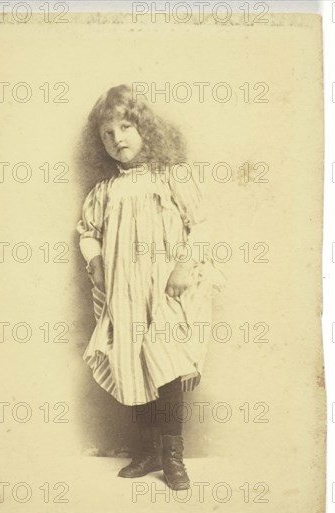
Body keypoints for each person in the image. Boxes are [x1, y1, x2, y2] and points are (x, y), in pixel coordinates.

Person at [76, 84, 225, 490]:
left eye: (125, 127)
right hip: (124, 294)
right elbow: (87, 233)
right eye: (108, 133)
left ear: (145, 130)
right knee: (133, 366)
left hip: (165, 291)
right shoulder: (105, 191)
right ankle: (145, 452)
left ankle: (173, 456)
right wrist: (95, 263)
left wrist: (182, 265)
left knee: (167, 369)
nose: (117, 139)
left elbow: (202, 226)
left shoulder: (170, 178)